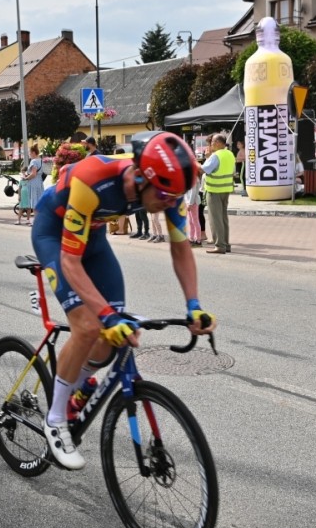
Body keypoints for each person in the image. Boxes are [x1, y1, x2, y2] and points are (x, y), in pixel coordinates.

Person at [31, 130, 217, 470]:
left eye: (175, 196)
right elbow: (70, 262)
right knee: (89, 326)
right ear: (141, 176)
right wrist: (104, 314)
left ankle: (77, 386)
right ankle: (55, 420)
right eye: (164, 195)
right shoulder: (93, 179)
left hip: (94, 240)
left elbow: (180, 248)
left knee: (115, 336)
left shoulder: (165, 192)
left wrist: (193, 305)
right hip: (53, 236)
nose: (169, 203)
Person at [200, 133, 234, 254]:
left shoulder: (216, 156)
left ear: (218, 143)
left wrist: (197, 162)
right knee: (223, 218)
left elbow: (204, 169)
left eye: (213, 142)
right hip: (225, 189)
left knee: (215, 219)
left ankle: (219, 245)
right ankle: (226, 244)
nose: (211, 144)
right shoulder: (229, 154)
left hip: (214, 190)